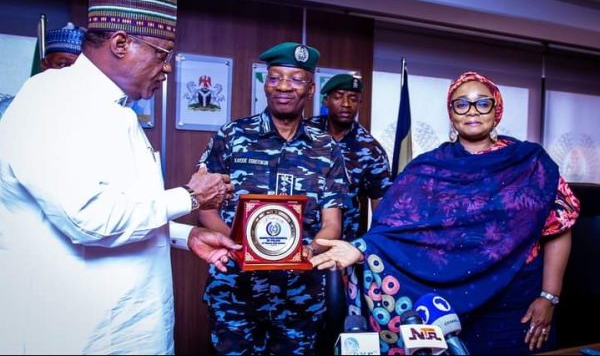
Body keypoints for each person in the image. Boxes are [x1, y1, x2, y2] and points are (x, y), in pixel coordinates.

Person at [0, 0, 240, 355]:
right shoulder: (51, 101)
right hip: (75, 333)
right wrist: (191, 197)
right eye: (162, 54)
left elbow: (122, 204)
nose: (168, 68)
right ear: (121, 43)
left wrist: (182, 235)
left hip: (125, 330)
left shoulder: (119, 110)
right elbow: (88, 219)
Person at [310, 71, 580, 355]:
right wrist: (360, 249)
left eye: (482, 103)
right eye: (461, 104)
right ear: (451, 113)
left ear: (496, 108)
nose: (472, 111)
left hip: (516, 303)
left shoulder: (531, 164)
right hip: (447, 305)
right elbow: (393, 231)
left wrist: (549, 296)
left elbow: (558, 228)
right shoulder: (426, 168)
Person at [196, 41, 348, 355]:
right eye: (276, 77)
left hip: (300, 296)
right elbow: (205, 210)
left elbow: (332, 223)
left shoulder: (326, 147)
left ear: (310, 88)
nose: (284, 87)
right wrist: (242, 246)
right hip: (235, 290)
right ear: (265, 85)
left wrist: (308, 249)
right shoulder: (231, 136)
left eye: (295, 80)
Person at [306, 73, 393, 352]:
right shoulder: (305, 134)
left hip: (342, 253)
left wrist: (366, 251)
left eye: (353, 98)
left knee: (337, 322)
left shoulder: (370, 149)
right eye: (339, 96)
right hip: (300, 243)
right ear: (326, 100)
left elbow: (382, 212)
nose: (346, 104)